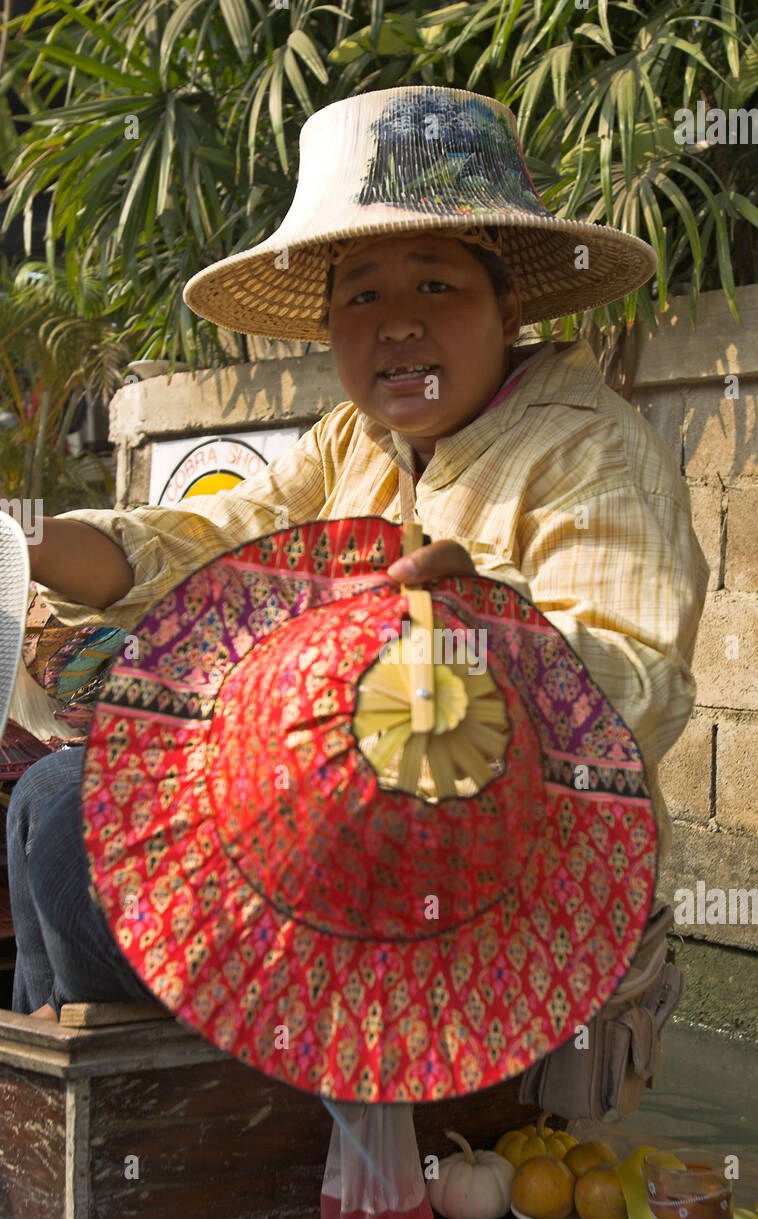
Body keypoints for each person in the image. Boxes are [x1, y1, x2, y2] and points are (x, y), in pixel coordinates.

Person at [8, 85, 708, 1032]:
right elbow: (206, 547)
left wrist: (492, 636)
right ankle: (91, 1109)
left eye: (435, 284)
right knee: (53, 791)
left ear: (507, 305)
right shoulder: (352, 440)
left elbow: (639, 680)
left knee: (69, 840)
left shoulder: (595, 450)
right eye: (363, 295)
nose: (398, 323)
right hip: (339, 842)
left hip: (513, 897)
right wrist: (31, 542)